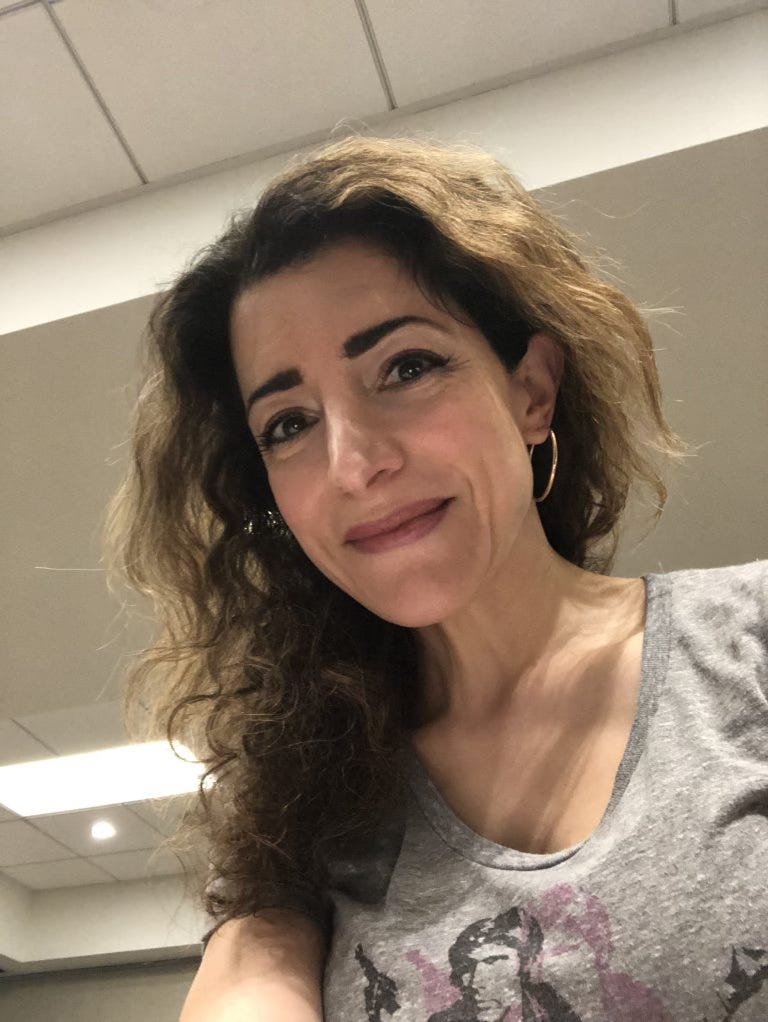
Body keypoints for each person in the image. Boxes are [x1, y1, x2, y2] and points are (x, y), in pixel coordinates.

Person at [105, 135, 767, 1021]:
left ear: (532, 392)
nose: (353, 465)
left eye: (406, 367)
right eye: (289, 423)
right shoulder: (311, 796)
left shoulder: (748, 643)